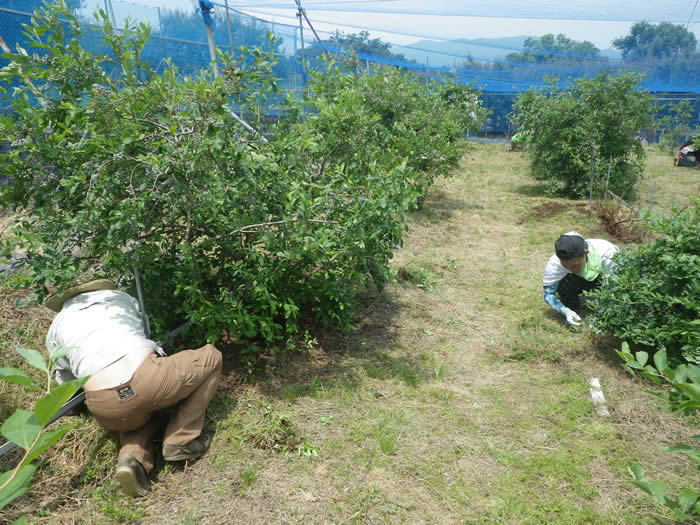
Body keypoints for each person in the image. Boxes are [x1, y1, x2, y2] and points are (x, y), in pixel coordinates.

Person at [43, 279, 222, 498]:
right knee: (211, 357)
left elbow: (66, 381)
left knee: (135, 411)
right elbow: (145, 337)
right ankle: (181, 441)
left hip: (104, 404)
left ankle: (132, 458)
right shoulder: (119, 298)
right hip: (147, 379)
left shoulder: (56, 327)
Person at [542, 232, 619, 326]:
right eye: (565, 266)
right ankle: (572, 307)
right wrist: (565, 311)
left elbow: (613, 287)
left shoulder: (607, 253)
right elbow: (548, 293)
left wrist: (602, 315)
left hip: (602, 278)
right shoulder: (555, 263)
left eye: (575, 265)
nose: (571, 269)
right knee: (564, 281)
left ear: (586, 253)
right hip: (575, 282)